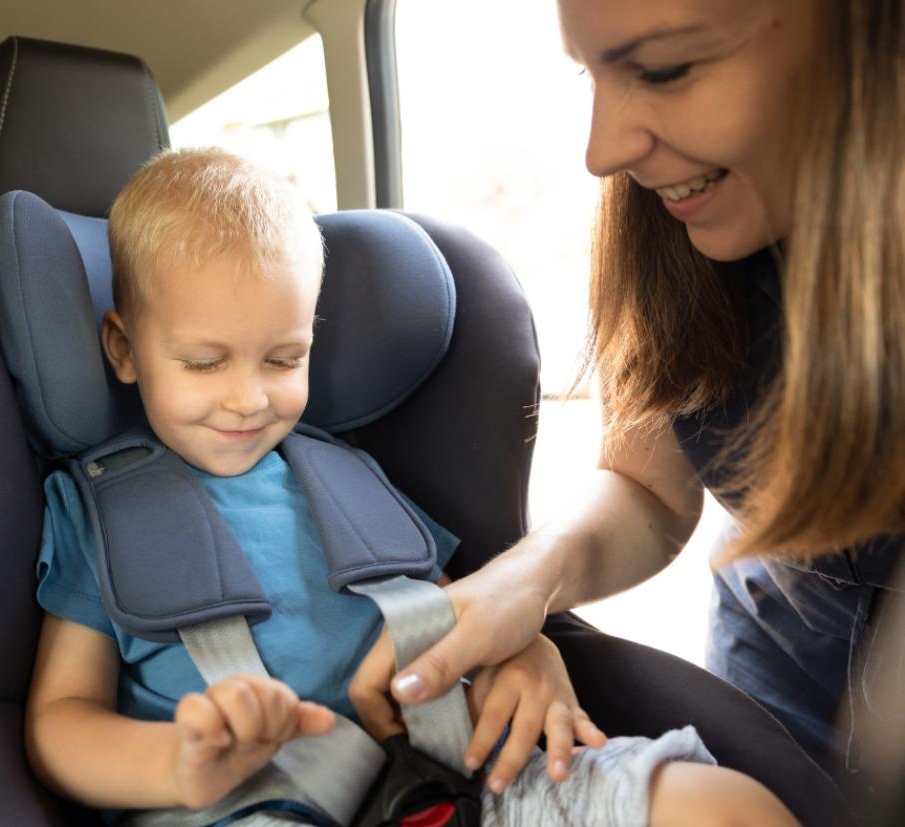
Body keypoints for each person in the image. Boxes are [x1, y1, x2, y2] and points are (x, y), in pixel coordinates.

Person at [23, 147, 801, 827]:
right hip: (241, 805)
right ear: (124, 348)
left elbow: (451, 611)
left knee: (727, 805)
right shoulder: (104, 514)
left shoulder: (350, 479)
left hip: (450, 777)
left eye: (282, 358)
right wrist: (174, 761)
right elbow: (59, 721)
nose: (249, 398)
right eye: (204, 362)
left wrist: (522, 653)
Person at [350, 0, 905, 801]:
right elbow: (647, 488)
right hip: (772, 683)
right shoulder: (680, 234)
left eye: (665, 70)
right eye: (591, 75)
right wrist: (521, 581)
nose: (603, 151)